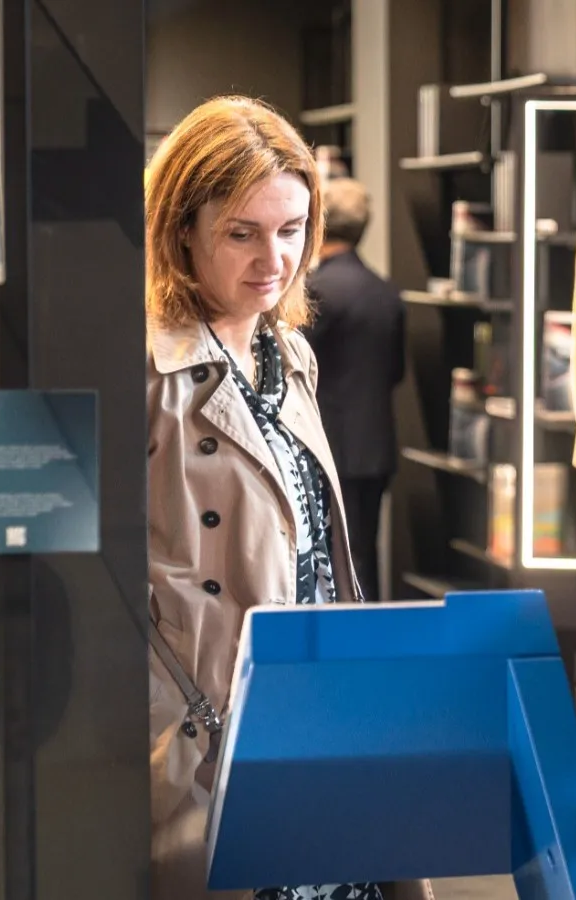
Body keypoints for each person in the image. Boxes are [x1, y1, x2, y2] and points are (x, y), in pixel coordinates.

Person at [145, 96, 410, 900]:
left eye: (293, 229)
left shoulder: (288, 353)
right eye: (243, 232)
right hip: (206, 726)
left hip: (311, 714)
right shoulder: (146, 372)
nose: (276, 258)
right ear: (183, 228)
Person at [303, 177, 406, 601]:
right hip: (376, 446)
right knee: (365, 551)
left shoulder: (314, 293)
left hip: (326, 445)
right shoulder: (386, 291)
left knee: (327, 556)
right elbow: (396, 371)